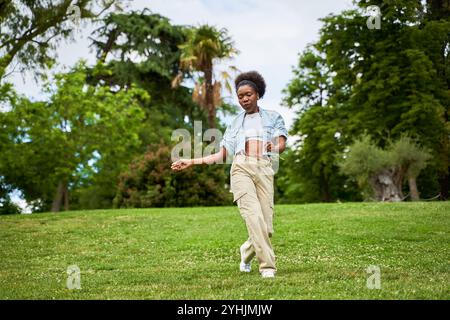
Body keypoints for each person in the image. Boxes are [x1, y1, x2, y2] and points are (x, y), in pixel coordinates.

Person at [171, 71, 288, 278]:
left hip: (264, 168)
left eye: (248, 94)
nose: (244, 99)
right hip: (241, 168)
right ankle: (267, 267)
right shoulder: (234, 123)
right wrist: (191, 161)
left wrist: (275, 147)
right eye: (240, 96)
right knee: (254, 218)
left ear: (257, 94)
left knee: (266, 228)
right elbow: (221, 154)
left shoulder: (273, 117)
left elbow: (281, 142)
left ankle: (245, 252)